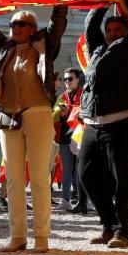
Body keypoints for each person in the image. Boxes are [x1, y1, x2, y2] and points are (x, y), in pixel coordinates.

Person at [0, 6, 68, 253]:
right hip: (9, 118)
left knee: (40, 178)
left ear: (33, 29)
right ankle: (17, 235)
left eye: (21, 24)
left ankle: (42, 236)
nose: (16, 28)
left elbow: (57, 24)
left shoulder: (45, 47)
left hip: (38, 115)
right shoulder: (5, 49)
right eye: (13, 24)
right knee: (13, 180)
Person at [78, 0, 128, 249]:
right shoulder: (97, 49)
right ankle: (108, 225)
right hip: (93, 123)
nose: (112, 33)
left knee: (122, 178)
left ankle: (123, 231)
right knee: (86, 175)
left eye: (117, 29)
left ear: (127, 30)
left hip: (122, 123)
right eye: (109, 30)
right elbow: (91, 26)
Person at [54, 68, 86, 213]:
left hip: (81, 137)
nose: (67, 82)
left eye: (70, 79)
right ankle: (65, 200)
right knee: (67, 170)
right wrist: (60, 113)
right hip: (65, 138)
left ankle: (83, 200)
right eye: (65, 79)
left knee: (81, 170)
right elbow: (53, 114)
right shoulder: (62, 97)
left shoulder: (84, 94)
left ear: (78, 79)